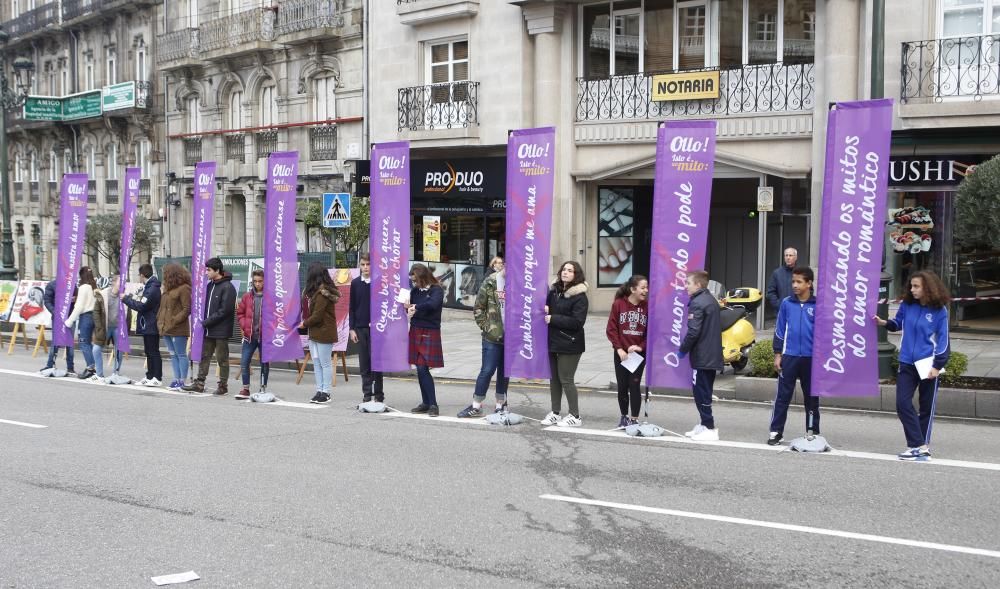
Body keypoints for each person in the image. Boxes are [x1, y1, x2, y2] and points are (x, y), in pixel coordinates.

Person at [873, 270, 951, 461]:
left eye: (916, 286)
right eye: (911, 286)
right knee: (902, 404)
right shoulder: (907, 305)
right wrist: (884, 322)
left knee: (926, 407)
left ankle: (918, 447)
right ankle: (920, 445)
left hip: (928, 364)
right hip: (907, 362)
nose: (912, 289)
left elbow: (943, 341)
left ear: (928, 288)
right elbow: (898, 323)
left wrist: (937, 365)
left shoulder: (940, 311)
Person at [767, 267, 818, 445]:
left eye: (799, 282)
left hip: (811, 359)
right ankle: (775, 432)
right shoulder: (787, 303)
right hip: (789, 356)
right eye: (793, 282)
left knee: (812, 398)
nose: (795, 285)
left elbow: (824, 334)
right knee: (783, 396)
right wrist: (778, 354)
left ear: (809, 283)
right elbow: (779, 330)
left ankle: (813, 431)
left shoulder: (818, 305)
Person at [458, 256, 509, 418]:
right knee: (486, 371)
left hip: (511, 338)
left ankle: (501, 405)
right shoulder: (491, 281)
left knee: (504, 372)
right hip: (492, 337)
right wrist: (487, 327)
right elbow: (478, 308)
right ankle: (476, 405)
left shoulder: (520, 284)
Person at [541, 261, 589, 427]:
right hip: (553, 341)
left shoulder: (580, 296)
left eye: (570, 270)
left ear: (576, 275)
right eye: (564, 269)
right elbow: (546, 306)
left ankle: (575, 416)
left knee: (566, 379)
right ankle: (555, 412)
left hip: (570, 343)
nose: (565, 272)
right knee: (554, 379)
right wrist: (546, 308)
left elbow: (577, 322)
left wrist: (553, 318)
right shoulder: (554, 291)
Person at [679, 270, 723, 441]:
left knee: (701, 393)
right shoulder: (710, 299)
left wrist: (683, 349)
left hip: (703, 357)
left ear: (698, 285)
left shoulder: (698, 303)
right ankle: (704, 425)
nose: (686, 286)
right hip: (711, 355)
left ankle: (710, 427)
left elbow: (693, 332)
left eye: (688, 283)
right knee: (705, 391)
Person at [183, 258, 237, 395]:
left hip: (221, 330)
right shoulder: (209, 285)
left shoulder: (228, 287)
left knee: (222, 359)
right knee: (204, 356)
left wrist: (206, 322)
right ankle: (199, 383)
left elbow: (225, 310)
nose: (206, 272)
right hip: (208, 329)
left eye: (209, 270)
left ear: (217, 270)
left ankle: (223, 386)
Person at [606, 275, 649, 429]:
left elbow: (651, 333)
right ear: (633, 289)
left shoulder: (647, 307)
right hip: (621, 354)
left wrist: (640, 347)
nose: (646, 290)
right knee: (622, 385)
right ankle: (624, 416)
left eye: (646, 287)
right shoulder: (618, 305)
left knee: (634, 385)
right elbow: (611, 329)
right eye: (643, 287)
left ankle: (634, 419)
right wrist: (619, 349)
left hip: (638, 355)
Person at [406, 263, 445, 417]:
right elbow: (409, 306)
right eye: (413, 281)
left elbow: (432, 305)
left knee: (422, 368)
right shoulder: (414, 291)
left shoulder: (436, 290)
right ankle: (426, 403)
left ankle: (433, 404)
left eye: (416, 280)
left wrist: (415, 306)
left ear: (423, 277)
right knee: (420, 369)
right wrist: (406, 306)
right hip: (415, 329)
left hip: (430, 331)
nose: (414, 284)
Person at [301, 262, 340, 404]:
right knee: (317, 363)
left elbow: (317, 316)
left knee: (324, 363)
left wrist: (304, 323)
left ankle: (326, 392)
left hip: (324, 333)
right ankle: (319, 390)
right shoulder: (315, 293)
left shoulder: (322, 293)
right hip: (315, 333)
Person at [349, 253, 384, 404]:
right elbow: (352, 307)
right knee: (364, 362)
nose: (365, 268)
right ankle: (367, 392)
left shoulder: (379, 282)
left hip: (377, 329)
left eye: (368, 264)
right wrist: (352, 329)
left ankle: (379, 393)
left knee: (377, 362)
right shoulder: (355, 283)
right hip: (360, 328)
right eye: (362, 265)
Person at [122, 263, 163, 387]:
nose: (139, 278)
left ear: (142, 275)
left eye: (139, 275)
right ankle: (150, 376)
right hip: (147, 324)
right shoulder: (148, 287)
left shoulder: (152, 288)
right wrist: (131, 297)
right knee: (149, 351)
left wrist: (126, 300)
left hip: (151, 324)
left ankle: (157, 377)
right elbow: (141, 301)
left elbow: (142, 306)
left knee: (153, 351)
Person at [158, 263, 192, 391]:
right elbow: (162, 308)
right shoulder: (167, 289)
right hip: (166, 328)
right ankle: (176, 379)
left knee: (181, 354)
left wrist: (174, 320)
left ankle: (182, 380)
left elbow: (186, 309)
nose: (164, 276)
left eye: (165, 274)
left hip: (177, 328)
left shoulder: (184, 288)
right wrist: (159, 321)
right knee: (173, 355)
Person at [237, 269, 268, 400]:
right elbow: (240, 313)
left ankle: (263, 387)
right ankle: (245, 389)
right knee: (244, 361)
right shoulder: (247, 297)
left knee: (264, 363)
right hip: (250, 336)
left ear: (265, 281)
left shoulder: (270, 296)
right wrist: (244, 326)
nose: (257, 284)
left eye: (260, 281)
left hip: (265, 336)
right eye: (255, 281)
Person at [65, 266, 98, 380]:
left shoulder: (83, 287)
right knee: (92, 343)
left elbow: (79, 306)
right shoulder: (94, 286)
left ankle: (91, 368)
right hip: (95, 316)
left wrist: (69, 321)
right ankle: (95, 367)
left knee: (84, 342)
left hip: (86, 317)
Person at [91, 276, 125, 383]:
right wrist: (99, 326)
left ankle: (116, 372)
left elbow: (127, 312)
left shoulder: (123, 296)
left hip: (118, 327)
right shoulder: (104, 294)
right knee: (96, 349)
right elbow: (96, 311)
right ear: (114, 283)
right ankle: (99, 374)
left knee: (119, 350)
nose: (123, 284)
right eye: (121, 281)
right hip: (105, 327)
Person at [40, 279, 76, 377]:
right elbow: (47, 301)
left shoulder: (72, 284)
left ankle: (70, 367)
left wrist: (74, 299)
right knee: (55, 342)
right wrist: (56, 313)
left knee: (70, 342)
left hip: (70, 316)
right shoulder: (52, 285)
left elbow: (77, 298)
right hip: (57, 318)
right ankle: (50, 364)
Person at [766, 247, 798, 313]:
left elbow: (809, 290)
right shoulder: (777, 273)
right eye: (786, 255)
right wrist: (778, 305)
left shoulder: (801, 272)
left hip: (798, 311)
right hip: (781, 311)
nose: (788, 258)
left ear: (795, 257)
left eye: (790, 255)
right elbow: (771, 292)